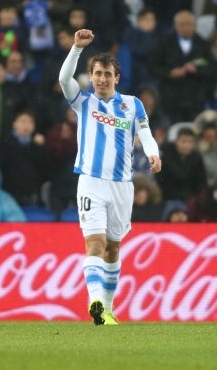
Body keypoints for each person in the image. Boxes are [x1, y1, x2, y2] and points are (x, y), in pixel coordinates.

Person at [58, 29, 162, 326]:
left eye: (107, 74)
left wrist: (153, 153)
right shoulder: (83, 103)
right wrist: (76, 48)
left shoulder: (132, 105)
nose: (102, 79)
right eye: (97, 74)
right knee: (95, 243)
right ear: (90, 77)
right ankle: (94, 300)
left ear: (117, 78)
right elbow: (65, 80)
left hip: (122, 186)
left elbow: (145, 133)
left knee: (113, 247)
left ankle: (107, 306)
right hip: (90, 181)